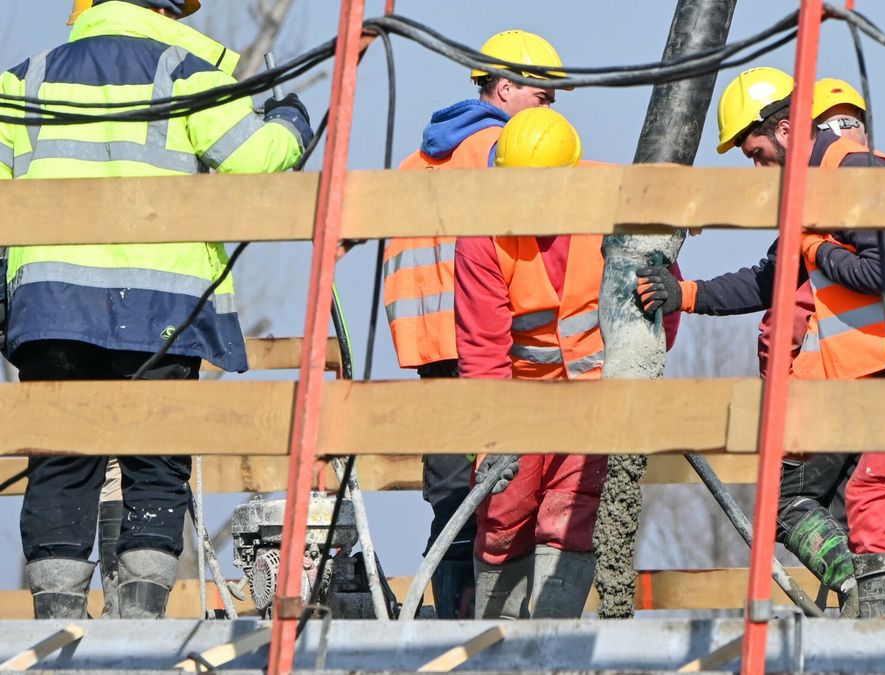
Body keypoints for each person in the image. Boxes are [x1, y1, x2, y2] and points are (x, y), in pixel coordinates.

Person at [1, 0, 313, 619]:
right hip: (162, 309)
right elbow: (256, 159)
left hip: (53, 306)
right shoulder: (187, 70)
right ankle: (139, 624)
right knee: (154, 465)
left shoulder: (20, 81)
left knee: (61, 463)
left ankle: (55, 623)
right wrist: (290, 115)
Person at [635, 69, 881, 614]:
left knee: (785, 503)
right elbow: (768, 279)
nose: (755, 168)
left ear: (786, 130)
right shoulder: (818, 189)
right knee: (851, 518)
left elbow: (857, 275)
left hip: (832, 378)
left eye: (756, 153)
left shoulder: (828, 188)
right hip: (861, 376)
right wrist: (687, 293)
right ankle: (870, 616)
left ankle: (866, 595)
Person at [455, 108, 678, 619]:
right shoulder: (485, 232)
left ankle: (552, 645)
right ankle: (499, 640)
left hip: (598, 393)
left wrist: (633, 384)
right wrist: (491, 436)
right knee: (503, 508)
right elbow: (482, 347)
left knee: (571, 515)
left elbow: (656, 311)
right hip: (521, 397)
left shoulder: (618, 208)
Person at [381, 29, 569, 619]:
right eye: (543, 98)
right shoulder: (501, 150)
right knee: (506, 491)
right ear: (506, 88)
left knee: (449, 496)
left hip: (431, 347)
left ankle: (449, 628)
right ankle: (499, 627)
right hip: (489, 344)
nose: (550, 112)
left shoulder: (418, 161)